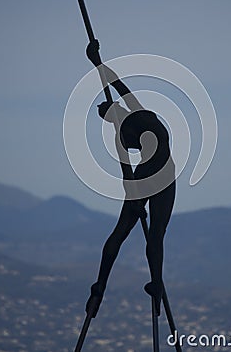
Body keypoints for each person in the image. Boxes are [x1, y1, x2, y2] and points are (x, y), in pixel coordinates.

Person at [85, 40, 176, 316]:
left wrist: (96, 62)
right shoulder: (130, 120)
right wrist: (97, 63)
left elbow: (116, 83)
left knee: (122, 233)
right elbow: (118, 84)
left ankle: (101, 287)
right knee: (155, 235)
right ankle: (153, 285)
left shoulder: (120, 136)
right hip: (164, 173)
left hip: (152, 175)